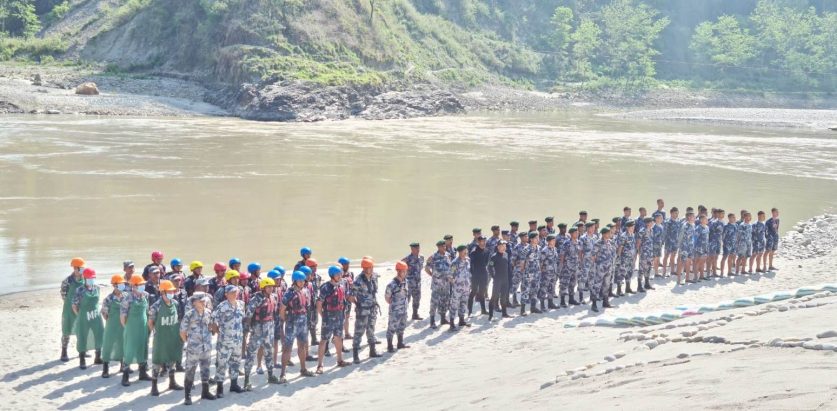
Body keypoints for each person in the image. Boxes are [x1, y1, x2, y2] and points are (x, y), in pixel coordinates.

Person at [243, 277, 281, 386]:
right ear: (263, 288)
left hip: (269, 329)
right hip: (257, 330)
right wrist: (247, 329)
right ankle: (246, 379)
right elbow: (248, 315)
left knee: (269, 353)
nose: (270, 289)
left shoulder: (274, 297)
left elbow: (274, 313)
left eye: (271, 287)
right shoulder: (256, 299)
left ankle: (270, 375)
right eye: (268, 287)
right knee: (251, 354)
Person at [148, 280, 184, 396]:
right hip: (161, 337)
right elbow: (150, 322)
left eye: (172, 291)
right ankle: (154, 386)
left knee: (172, 358)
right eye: (169, 291)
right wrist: (156, 331)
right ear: (162, 292)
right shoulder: (156, 306)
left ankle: (172, 382)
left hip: (172, 336)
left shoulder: (175, 303)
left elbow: (178, 318)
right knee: (157, 360)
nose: (171, 293)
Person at [180, 292, 216, 405]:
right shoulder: (189, 315)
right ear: (195, 302)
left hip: (206, 347)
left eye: (204, 300)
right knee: (190, 370)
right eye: (201, 301)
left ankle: (205, 392)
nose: (204, 302)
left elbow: (211, 326)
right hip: (193, 349)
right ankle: (187, 395)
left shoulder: (209, 313)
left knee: (205, 369)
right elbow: (182, 332)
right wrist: (189, 342)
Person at [279, 271, 314, 383]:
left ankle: (303, 369)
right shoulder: (289, 293)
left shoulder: (306, 291)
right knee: (287, 348)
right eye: (300, 281)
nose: (302, 282)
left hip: (303, 323)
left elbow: (307, 307)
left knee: (302, 346)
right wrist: (287, 320)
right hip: (292, 324)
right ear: (294, 281)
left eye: (303, 280)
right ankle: (282, 374)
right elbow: (282, 310)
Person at [211, 285, 245, 395]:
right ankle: (220, 388)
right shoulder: (222, 306)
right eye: (231, 292)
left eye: (236, 292)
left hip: (238, 340)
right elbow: (213, 320)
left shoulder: (241, 304)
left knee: (236, 362)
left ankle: (234, 385)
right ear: (226, 294)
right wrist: (219, 332)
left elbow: (242, 319)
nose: (234, 294)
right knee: (222, 364)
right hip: (225, 341)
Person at [316, 265, 351, 369]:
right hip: (328, 317)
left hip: (339, 316)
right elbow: (319, 304)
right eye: (337, 274)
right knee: (323, 340)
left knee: (339, 338)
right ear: (332, 275)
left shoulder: (341, 285)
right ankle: (320, 365)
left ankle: (340, 360)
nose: (340, 276)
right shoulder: (325, 287)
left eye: (340, 274)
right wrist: (323, 316)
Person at [121, 275, 152, 386]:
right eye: (140, 285)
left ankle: (142, 373)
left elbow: (148, 311)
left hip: (143, 326)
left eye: (143, 284)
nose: (142, 286)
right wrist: (127, 327)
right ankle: (125, 376)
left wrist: (149, 326)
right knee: (129, 349)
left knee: (143, 348)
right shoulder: (127, 298)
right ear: (133, 286)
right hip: (131, 327)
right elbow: (123, 316)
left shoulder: (146, 295)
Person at [351, 258, 382, 363]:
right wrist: (358, 304)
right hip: (362, 310)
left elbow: (374, 291)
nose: (371, 269)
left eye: (372, 267)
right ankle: (355, 355)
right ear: (364, 269)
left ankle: (372, 351)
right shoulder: (358, 280)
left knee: (371, 330)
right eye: (369, 267)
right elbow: (350, 296)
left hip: (372, 308)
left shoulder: (374, 277)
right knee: (359, 331)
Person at [73, 268, 104, 369]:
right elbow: (74, 305)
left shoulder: (97, 288)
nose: (92, 280)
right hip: (84, 316)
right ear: (85, 278)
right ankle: (82, 360)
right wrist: (80, 315)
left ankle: (98, 357)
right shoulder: (79, 290)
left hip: (96, 316)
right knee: (82, 337)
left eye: (93, 278)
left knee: (99, 334)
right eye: (90, 278)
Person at [101, 274, 126, 378]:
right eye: (120, 284)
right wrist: (111, 321)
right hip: (111, 326)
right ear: (114, 285)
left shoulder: (126, 296)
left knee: (122, 344)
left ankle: (122, 366)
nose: (122, 285)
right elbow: (104, 313)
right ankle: (105, 369)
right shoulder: (108, 299)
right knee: (108, 346)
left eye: (123, 284)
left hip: (123, 325)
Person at [61, 257, 86, 362]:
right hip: (68, 309)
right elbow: (63, 294)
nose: (82, 270)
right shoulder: (67, 281)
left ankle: (82, 351)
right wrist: (69, 303)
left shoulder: (85, 279)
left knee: (82, 329)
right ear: (75, 268)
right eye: (80, 268)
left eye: (83, 268)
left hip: (81, 308)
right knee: (66, 329)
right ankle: (64, 352)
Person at [426, 240, 452, 329]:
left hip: (446, 284)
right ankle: (432, 321)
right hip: (436, 285)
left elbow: (451, 267)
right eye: (442, 246)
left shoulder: (448, 255)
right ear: (438, 247)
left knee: (445, 301)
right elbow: (426, 268)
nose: (444, 247)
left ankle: (443, 319)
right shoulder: (433, 257)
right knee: (434, 302)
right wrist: (432, 275)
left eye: (445, 246)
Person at [385, 261, 411, 349]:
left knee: (402, 327)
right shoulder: (391, 284)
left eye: (406, 271)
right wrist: (394, 305)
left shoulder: (406, 282)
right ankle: (390, 345)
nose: (405, 273)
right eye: (403, 271)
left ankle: (400, 343)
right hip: (395, 310)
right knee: (392, 328)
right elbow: (387, 298)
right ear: (398, 271)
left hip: (404, 309)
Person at [590, 227, 615, 312]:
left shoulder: (611, 242)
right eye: (608, 233)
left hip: (609, 267)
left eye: (610, 233)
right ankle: (594, 304)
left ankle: (605, 302)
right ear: (603, 234)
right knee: (597, 285)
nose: (609, 234)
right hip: (600, 268)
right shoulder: (598, 243)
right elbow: (593, 255)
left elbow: (612, 254)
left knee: (607, 285)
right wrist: (596, 265)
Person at [448, 245, 472, 331]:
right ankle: (451, 324)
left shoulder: (468, 260)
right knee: (454, 305)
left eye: (466, 251)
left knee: (463, 304)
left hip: (466, 287)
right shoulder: (455, 262)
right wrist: (456, 284)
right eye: (464, 251)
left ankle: (461, 321)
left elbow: (469, 272)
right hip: (458, 288)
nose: (466, 252)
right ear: (460, 252)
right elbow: (450, 276)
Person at [487, 240, 511, 320]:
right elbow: (489, 267)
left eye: (505, 246)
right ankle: (490, 315)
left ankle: (504, 313)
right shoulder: (494, 256)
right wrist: (494, 276)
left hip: (505, 279)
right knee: (494, 297)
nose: (504, 247)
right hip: (498, 280)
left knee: (504, 297)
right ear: (498, 247)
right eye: (502, 246)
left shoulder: (506, 254)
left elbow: (508, 267)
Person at [521, 232, 542, 316]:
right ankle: (522, 310)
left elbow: (539, 260)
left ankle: (533, 307)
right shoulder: (526, 249)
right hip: (528, 273)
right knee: (525, 290)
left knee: (535, 290)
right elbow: (522, 262)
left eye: (538, 238)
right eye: (536, 238)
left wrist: (539, 270)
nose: (538, 239)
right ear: (531, 239)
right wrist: (524, 271)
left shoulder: (539, 248)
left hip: (537, 273)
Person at [402, 243, 425, 321]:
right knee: (406, 300)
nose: (418, 250)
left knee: (417, 299)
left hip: (418, 283)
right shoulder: (407, 259)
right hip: (409, 284)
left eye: (418, 248)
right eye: (416, 249)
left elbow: (421, 267)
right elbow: (400, 269)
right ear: (412, 249)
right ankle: (403, 316)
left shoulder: (421, 258)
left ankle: (415, 314)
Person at [468, 236, 489, 315]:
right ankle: (470, 311)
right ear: (478, 242)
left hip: (484, 273)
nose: (483, 243)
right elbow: (471, 265)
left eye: (484, 241)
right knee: (473, 291)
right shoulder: (474, 252)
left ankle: (483, 310)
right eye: (481, 241)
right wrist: (473, 275)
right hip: (475, 275)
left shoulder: (487, 251)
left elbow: (486, 262)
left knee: (482, 292)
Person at [560, 229, 582, 306]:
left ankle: (571, 299)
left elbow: (579, 253)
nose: (577, 233)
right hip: (567, 267)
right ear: (571, 234)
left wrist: (580, 262)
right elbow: (562, 254)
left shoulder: (579, 242)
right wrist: (561, 265)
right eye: (575, 232)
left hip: (575, 266)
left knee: (573, 283)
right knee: (564, 283)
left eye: (577, 232)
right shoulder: (567, 243)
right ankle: (562, 301)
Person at [615, 220, 637, 295]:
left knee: (629, 273)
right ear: (627, 227)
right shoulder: (624, 236)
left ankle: (628, 288)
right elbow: (620, 247)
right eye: (631, 227)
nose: (633, 228)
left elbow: (633, 247)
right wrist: (618, 258)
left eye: (633, 227)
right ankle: (619, 290)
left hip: (630, 258)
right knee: (622, 273)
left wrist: (634, 258)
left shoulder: (633, 235)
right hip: (624, 258)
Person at [579, 222, 598, 307]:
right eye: (593, 227)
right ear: (588, 228)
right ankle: (581, 297)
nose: (594, 228)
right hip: (585, 262)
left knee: (592, 279)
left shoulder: (595, 237)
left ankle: (591, 296)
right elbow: (580, 251)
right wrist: (581, 261)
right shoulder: (583, 238)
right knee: (583, 279)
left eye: (594, 227)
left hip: (593, 262)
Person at [675, 212, 697, 285]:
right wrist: (678, 247)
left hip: (691, 247)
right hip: (684, 247)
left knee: (689, 262)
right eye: (693, 217)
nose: (695, 218)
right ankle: (678, 280)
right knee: (682, 263)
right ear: (689, 217)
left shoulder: (693, 225)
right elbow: (680, 236)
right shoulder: (685, 225)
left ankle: (687, 278)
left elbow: (693, 236)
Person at [541, 234, 561, 310]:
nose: (554, 242)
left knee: (552, 288)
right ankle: (542, 305)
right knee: (544, 288)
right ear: (548, 241)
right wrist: (542, 271)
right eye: (553, 240)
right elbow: (541, 262)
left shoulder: (555, 249)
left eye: (554, 240)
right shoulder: (544, 250)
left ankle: (550, 303)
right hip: (546, 273)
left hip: (553, 272)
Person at [636, 217, 656, 291]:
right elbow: (638, 242)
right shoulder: (642, 231)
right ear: (647, 223)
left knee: (648, 268)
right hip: (643, 253)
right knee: (641, 269)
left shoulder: (651, 230)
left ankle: (647, 284)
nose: (653, 223)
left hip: (649, 253)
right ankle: (639, 286)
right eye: (651, 222)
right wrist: (638, 252)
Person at [510, 232, 529, 308]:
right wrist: (515, 268)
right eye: (525, 236)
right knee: (515, 285)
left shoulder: (529, 246)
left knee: (525, 285)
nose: (527, 237)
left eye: (527, 236)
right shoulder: (517, 247)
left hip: (527, 269)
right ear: (521, 238)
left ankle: (523, 300)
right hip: (518, 269)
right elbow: (513, 259)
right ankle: (514, 300)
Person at [337, 257, 354, 341]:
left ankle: (347, 333)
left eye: (348, 264)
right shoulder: (337, 274)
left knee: (347, 316)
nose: (347, 266)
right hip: (340, 300)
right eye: (345, 264)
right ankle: (338, 336)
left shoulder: (350, 274)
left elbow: (352, 286)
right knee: (340, 318)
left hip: (348, 299)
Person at [663, 207, 680, 276]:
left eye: (677, 213)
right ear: (671, 213)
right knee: (666, 256)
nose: (677, 215)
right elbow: (664, 233)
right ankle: (664, 271)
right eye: (675, 213)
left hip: (675, 242)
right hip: (668, 242)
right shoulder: (667, 222)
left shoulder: (678, 221)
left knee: (673, 256)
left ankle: (672, 271)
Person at [694, 214, 710, 281]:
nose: (707, 220)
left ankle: (702, 276)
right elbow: (695, 238)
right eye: (705, 219)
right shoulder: (698, 228)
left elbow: (707, 238)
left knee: (703, 262)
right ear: (701, 220)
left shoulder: (707, 227)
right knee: (697, 262)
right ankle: (695, 277)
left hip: (705, 247)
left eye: (707, 219)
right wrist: (694, 247)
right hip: (699, 247)